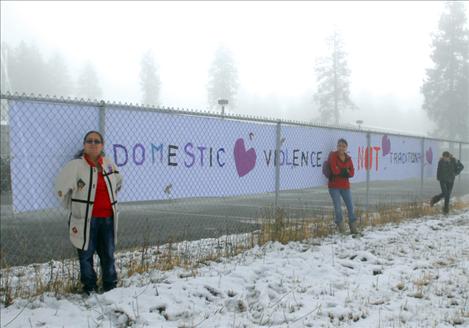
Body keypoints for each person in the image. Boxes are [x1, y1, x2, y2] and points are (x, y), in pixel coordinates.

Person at [55, 131, 123, 295]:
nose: (93, 144)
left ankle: (110, 285)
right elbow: (61, 189)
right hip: (85, 220)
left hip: (107, 218)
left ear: (102, 145)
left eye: (97, 141)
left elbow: (118, 182)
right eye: (89, 141)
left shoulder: (108, 164)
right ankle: (90, 287)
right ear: (84, 144)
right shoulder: (76, 166)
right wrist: (75, 205)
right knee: (85, 255)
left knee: (108, 254)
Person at [327, 138, 358, 234]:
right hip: (334, 186)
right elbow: (334, 170)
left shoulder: (348, 158)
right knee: (338, 208)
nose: (341, 148)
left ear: (346, 148)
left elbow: (352, 173)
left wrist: (341, 170)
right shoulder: (333, 156)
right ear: (337, 146)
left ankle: (353, 229)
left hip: (345, 186)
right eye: (339, 145)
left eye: (343, 146)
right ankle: (342, 229)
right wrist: (346, 171)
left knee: (350, 207)